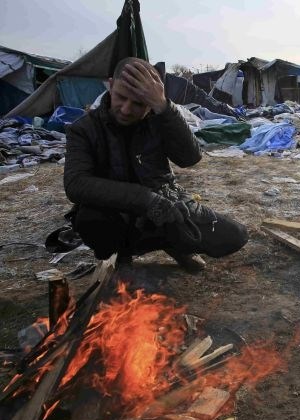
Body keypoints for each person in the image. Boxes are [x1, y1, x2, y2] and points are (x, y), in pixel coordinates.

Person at [63, 57, 248, 272]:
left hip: (165, 207)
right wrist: (145, 199)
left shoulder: (158, 119)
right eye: (121, 97)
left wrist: (164, 107)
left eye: (138, 103)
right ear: (111, 85)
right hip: (115, 213)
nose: (126, 109)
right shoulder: (84, 129)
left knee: (234, 236)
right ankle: (120, 256)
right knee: (90, 220)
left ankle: (178, 247)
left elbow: (190, 158)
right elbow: (76, 184)